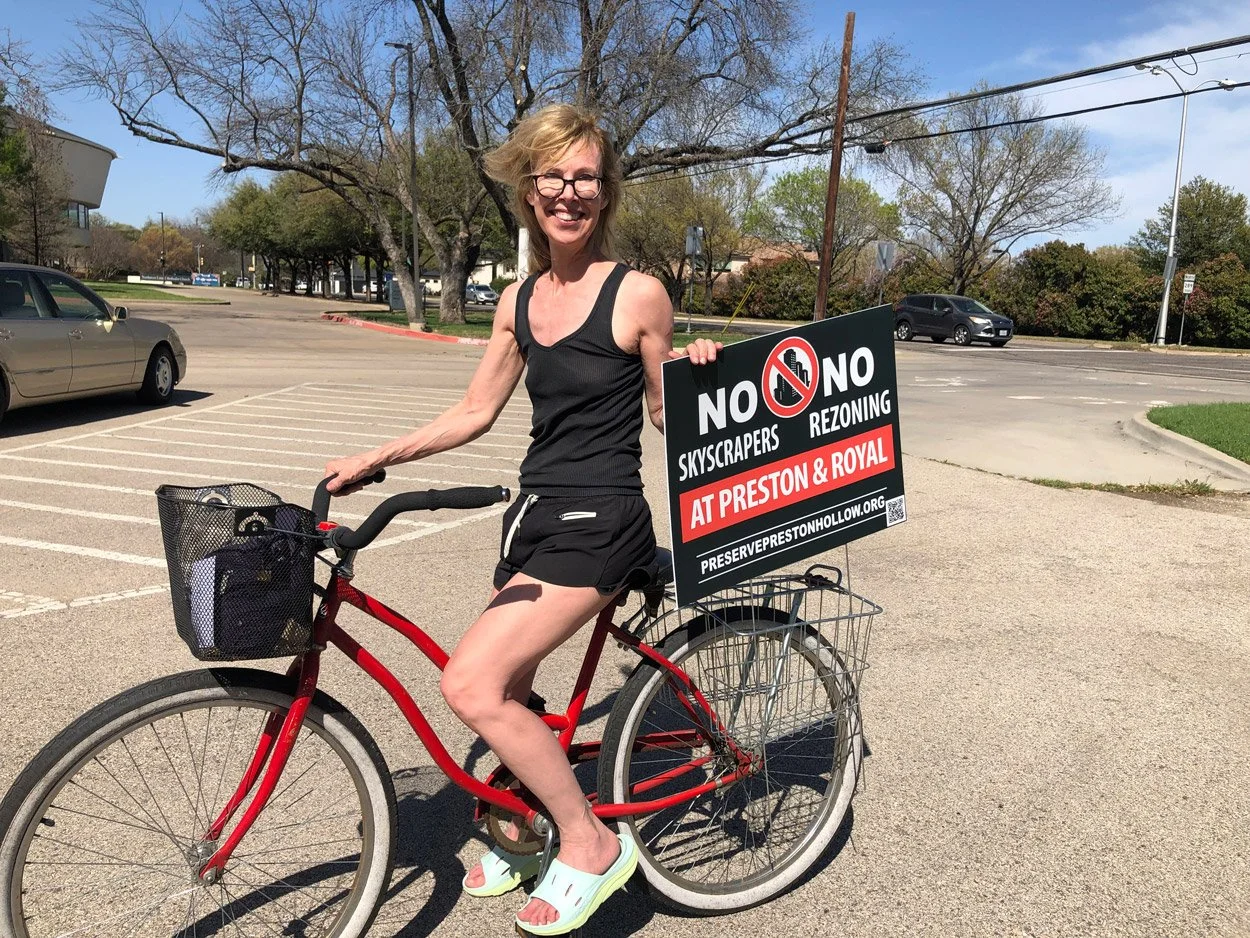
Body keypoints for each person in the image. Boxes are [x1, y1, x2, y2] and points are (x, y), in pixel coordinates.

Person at [323, 103, 720, 936]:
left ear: (604, 193)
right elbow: (474, 412)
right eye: (553, 176)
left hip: (603, 519)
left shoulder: (638, 292)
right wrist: (378, 456)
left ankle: (588, 843)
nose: (569, 192)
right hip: (535, 516)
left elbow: (660, 416)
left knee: (468, 684)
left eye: (585, 177)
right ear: (530, 191)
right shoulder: (517, 299)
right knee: (507, 688)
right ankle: (529, 823)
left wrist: (698, 376)